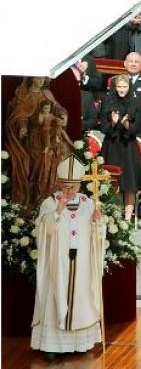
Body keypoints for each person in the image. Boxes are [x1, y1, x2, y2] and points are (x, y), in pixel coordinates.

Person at [31, 154, 104, 358]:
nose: (69, 191)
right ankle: (52, 346)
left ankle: (79, 344)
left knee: (80, 299)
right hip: (58, 261)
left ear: (80, 185)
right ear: (60, 184)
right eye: (65, 187)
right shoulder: (50, 203)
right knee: (56, 296)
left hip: (81, 263)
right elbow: (43, 229)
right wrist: (58, 211)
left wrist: (97, 223)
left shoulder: (88, 204)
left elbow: (97, 235)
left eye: (73, 187)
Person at [5, 76, 71, 206]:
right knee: (42, 156)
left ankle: (55, 193)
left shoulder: (46, 93)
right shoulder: (24, 95)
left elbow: (57, 108)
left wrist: (62, 115)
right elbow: (19, 116)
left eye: (43, 78)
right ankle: (38, 195)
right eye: (38, 78)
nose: (41, 81)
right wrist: (22, 127)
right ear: (31, 79)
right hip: (33, 135)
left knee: (62, 150)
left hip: (50, 133)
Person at [100, 74, 141, 221]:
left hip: (128, 147)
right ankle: (112, 214)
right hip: (112, 145)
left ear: (129, 87)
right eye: (119, 87)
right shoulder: (108, 101)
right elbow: (103, 128)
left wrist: (125, 123)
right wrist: (114, 123)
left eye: (124, 87)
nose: (122, 90)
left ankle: (127, 218)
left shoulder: (136, 102)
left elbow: (135, 129)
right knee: (111, 182)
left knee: (129, 184)